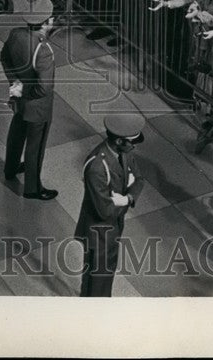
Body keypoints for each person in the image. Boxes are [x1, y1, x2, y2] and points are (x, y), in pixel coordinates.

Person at [74, 113, 147, 297]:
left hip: (114, 226)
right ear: (119, 141)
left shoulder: (125, 153)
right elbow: (105, 210)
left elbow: (139, 179)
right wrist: (125, 200)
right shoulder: (97, 167)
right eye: (132, 142)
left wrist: (127, 198)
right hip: (98, 232)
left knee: (106, 274)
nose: (134, 146)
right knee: (96, 281)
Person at [2, 0, 58, 200]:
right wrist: (27, 92)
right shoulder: (43, 51)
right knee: (36, 145)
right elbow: (44, 88)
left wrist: (14, 82)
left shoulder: (16, 34)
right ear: (45, 23)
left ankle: (10, 168)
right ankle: (33, 188)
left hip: (18, 98)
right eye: (52, 20)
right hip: (37, 107)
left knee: (16, 132)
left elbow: (4, 58)